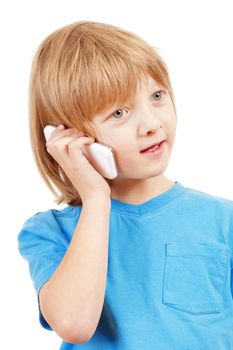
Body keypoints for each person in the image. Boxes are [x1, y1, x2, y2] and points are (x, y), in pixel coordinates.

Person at [18, 20, 233, 349]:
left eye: (157, 96)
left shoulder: (223, 220)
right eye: (119, 113)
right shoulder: (48, 232)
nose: (151, 124)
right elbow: (75, 324)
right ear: (69, 137)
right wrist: (96, 199)